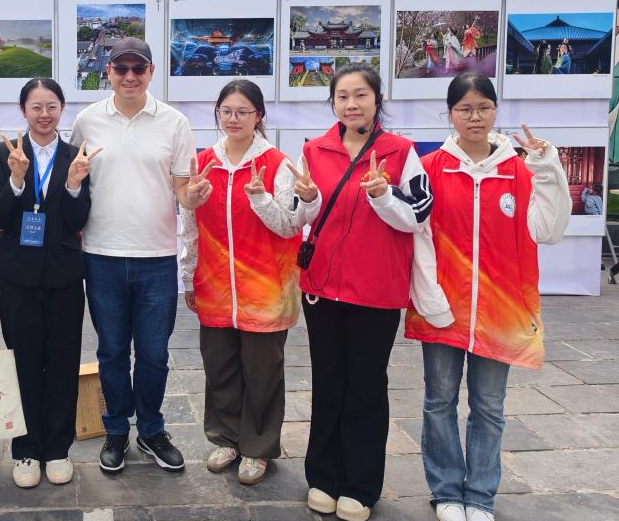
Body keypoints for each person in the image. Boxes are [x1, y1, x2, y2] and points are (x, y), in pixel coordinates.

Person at [404, 73, 570, 521]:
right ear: (450, 114)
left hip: (500, 312)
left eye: (483, 108)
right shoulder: (431, 167)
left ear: (495, 111)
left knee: (489, 407)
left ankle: (479, 496)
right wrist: (429, 297)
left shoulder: (519, 169)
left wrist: (547, 170)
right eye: (464, 109)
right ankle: (445, 491)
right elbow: (417, 236)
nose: (474, 117)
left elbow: (548, 231)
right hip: (442, 308)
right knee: (439, 402)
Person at [298, 63, 451, 521]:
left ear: (377, 99)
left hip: (376, 290)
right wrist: (306, 200)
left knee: (365, 386)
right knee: (328, 382)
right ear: (333, 103)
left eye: (361, 95)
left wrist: (384, 194)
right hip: (322, 289)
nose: (352, 104)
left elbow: (417, 216)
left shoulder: (401, 152)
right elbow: (301, 215)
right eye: (342, 96)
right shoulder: (313, 150)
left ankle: (360, 485)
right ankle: (322, 477)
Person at [70, 37, 208, 475]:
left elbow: (182, 188)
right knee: (111, 351)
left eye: (138, 68)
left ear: (151, 72)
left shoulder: (174, 122)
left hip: (156, 256)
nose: (129, 76)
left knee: (153, 354)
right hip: (102, 255)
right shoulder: (87, 120)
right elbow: (75, 180)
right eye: (121, 68)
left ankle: (151, 429)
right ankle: (116, 430)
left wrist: (193, 196)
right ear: (108, 72)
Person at [180, 80, 320, 486]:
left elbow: (289, 225)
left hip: (267, 289)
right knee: (220, 366)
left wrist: (260, 198)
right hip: (215, 285)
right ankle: (226, 438)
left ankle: (258, 447)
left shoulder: (277, 163)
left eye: (243, 111)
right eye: (226, 111)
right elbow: (189, 226)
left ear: (259, 115)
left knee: (262, 372)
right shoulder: (204, 162)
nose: (234, 119)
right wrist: (188, 275)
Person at [0, 77, 96, 488]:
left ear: (62, 109)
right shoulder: (5, 153)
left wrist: (73, 185)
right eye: (36, 107)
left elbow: (78, 220)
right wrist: (16, 181)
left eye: (51, 106)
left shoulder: (75, 154)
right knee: (24, 362)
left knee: (63, 361)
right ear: (23, 111)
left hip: (64, 275)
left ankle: (57, 448)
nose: (44, 114)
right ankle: (26, 450)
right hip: (18, 275)